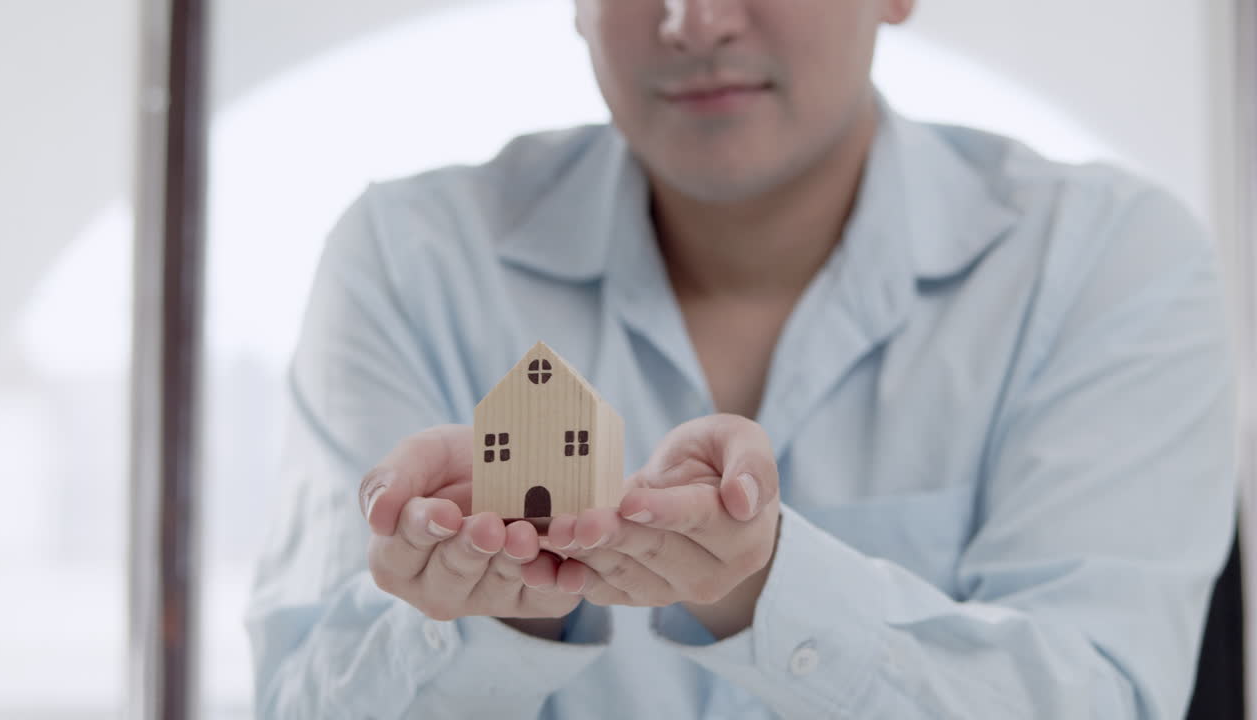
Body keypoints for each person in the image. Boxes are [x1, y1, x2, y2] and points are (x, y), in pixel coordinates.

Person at [245, 0, 1237, 717]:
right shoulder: (409, 260)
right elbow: (302, 702)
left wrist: (765, 587)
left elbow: (1097, 696)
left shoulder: (1102, 261)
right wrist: (497, 617)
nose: (694, 20)